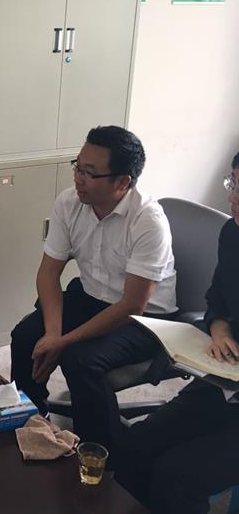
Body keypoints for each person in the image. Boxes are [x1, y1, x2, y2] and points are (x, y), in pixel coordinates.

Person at [10, 126, 176, 458]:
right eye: (78, 166)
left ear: (123, 182)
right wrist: (53, 332)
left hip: (146, 319)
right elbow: (48, 273)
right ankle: (34, 422)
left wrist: (64, 341)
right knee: (26, 336)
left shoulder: (147, 220)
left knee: (81, 360)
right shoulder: (69, 202)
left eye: (90, 172)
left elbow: (132, 305)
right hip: (91, 297)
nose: (79, 178)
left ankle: (102, 454)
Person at [115, 151, 239, 514]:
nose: (233, 197)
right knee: (136, 444)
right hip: (225, 383)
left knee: (177, 475)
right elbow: (217, 300)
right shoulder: (233, 234)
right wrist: (219, 330)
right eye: (233, 184)